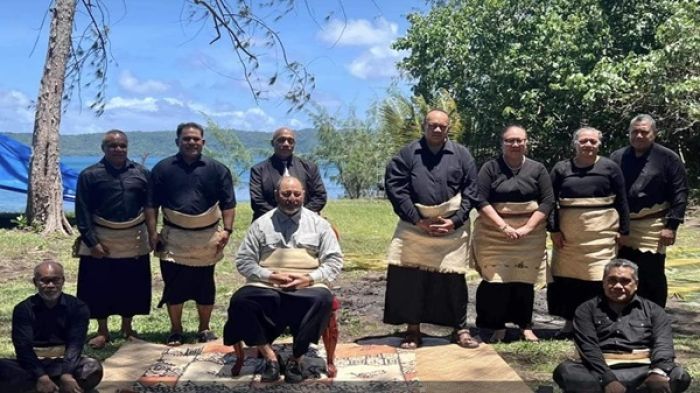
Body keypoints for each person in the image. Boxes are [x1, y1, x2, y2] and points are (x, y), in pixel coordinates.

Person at [223, 176, 342, 383]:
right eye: (286, 194)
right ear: (277, 195)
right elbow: (244, 261)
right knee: (240, 301)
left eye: (296, 194)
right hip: (268, 283)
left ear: (303, 195)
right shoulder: (261, 224)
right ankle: (270, 358)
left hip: (308, 284)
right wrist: (269, 276)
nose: (292, 198)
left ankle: (296, 358)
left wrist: (309, 278)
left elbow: (334, 261)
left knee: (323, 299)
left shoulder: (320, 224)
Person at [383, 109, 480, 349]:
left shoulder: (462, 155)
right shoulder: (407, 154)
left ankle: (460, 329)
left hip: (452, 227)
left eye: (442, 126)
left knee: (454, 279)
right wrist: (417, 219)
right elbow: (395, 187)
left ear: (448, 129)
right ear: (423, 126)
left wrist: (455, 220)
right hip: (414, 225)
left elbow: (471, 189)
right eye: (432, 125)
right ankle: (413, 329)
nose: (437, 129)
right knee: (411, 278)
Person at [147, 122, 236, 346]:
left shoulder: (217, 169)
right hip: (173, 237)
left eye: (196, 139)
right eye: (186, 139)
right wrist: (152, 233)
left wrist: (227, 230)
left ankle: (204, 329)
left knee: (205, 285)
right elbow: (151, 204)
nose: (191, 142)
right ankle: (176, 330)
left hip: (206, 238)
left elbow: (228, 203)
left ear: (203, 142)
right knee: (173, 285)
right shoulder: (162, 169)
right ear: (178, 141)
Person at [553, 259, 691, 393]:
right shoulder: (586, 310)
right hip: (599, 369)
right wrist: (607, 379)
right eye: (612, 280)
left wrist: (657, 373)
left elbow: (664, 345)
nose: (618, 286)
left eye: (625, 281)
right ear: (604, 282)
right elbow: (588, 348)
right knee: (567, 372)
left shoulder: (654, 311)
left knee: (679, 375)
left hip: (643, 369)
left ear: (636, 284)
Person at [471, 125, 554, 343]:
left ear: (527, 142)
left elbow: (547, 201)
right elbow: (480, 200)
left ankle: (525, 326)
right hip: (494, 232)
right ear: (502, 143)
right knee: (495, 280)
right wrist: (504, 227)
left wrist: (527, 228)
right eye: (510, 141)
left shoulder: (538, 169)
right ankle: (495, 326)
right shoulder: (490, 168)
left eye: (520, 140)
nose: (515, 144)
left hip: (530, 234)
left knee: (524, 279)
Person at [74, 130, 153, 349]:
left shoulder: (142, 173)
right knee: (99, 285)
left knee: (132, 285)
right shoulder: (89, 175)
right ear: (103, 148)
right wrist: (92, 242)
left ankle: (127, 328)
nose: (118, 149)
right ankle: (102, 330)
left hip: (132, 238)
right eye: (112, 146)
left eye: (122, 146)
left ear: (127, 147)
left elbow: (149, 208)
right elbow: (82, 211)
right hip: (101, 236)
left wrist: (153, 235)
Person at [548, 127, 630, 337]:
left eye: (593, 142)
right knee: (567, 279)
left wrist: (624, 230)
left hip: (601, 235)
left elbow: (622, 200)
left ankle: (598, 325)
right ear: (575, 143)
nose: (588, 145)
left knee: (598, 278)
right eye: (583, 141)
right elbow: (550, 202)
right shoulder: (561, 169)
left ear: (599, 144)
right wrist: (554, 229)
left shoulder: (611, 168)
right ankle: (569, 323)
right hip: (569, 235)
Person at [610, 114, 688, 308]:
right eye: (634, 131)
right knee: (621, 271)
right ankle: (624, 314)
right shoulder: (617, 157)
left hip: (653, 225)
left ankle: (655, 316)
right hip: (622, 224)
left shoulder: (668, 158)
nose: (639, 135)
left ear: (654, 133)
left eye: (644, 132)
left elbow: (680, 193)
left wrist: (671, 226)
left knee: (651, 272)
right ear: (629, 133)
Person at [0, 261, 103, 393]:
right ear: (35, 282)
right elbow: (22, 347)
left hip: (63, 363)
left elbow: (75, 345)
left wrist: (67, 374)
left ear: (63, 281)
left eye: (56, 280)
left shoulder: (78, 307)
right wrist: (42, 377)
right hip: (30, 365)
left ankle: (41, 388)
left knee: (92, 367)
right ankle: (55, 387)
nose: (50, 285)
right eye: (45, 281)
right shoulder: (23, 309)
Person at [249, 127, 327, 221]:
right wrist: (281, 217)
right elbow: (257, 201)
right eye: (281, 140)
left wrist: (299, 215)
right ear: (272, 143)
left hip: (304, 222)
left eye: (290, 141)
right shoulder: (258, 170)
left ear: (294, 144)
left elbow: (320, 196)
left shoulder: (310, 168)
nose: (286, 144)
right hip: (269, 222)